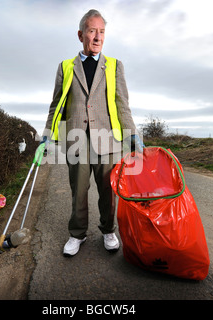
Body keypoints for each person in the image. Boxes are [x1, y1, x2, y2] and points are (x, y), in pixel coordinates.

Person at [42, 9, 143, 257]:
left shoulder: (114, 66)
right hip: (75, 138)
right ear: (81, 35)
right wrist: (47, 134)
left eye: (102, 31)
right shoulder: (65, 67)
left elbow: (122, 104)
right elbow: (57, 104)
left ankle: (109, 230)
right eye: (92, 31)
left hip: (108, 138)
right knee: (78, 190)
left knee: (108, 190)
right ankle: (77, 234)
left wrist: (132, 134)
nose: (97, 37)